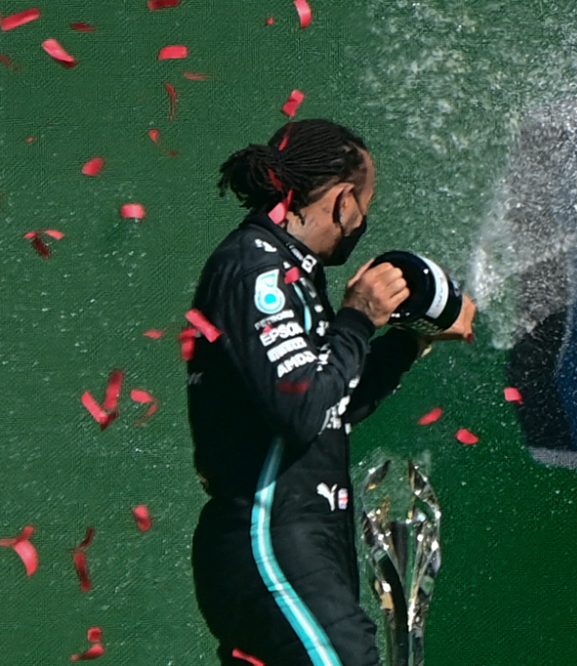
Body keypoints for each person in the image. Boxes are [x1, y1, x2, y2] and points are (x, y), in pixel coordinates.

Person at [186, 119, 475, 666]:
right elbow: (298, 407)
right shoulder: (256, 268)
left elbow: (332, 403)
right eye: (364, 205)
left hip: (303, 541)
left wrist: (411, 340)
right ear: (344, 201)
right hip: (269, 540)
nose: (363, 222)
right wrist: (359, 318)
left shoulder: (295, 272)